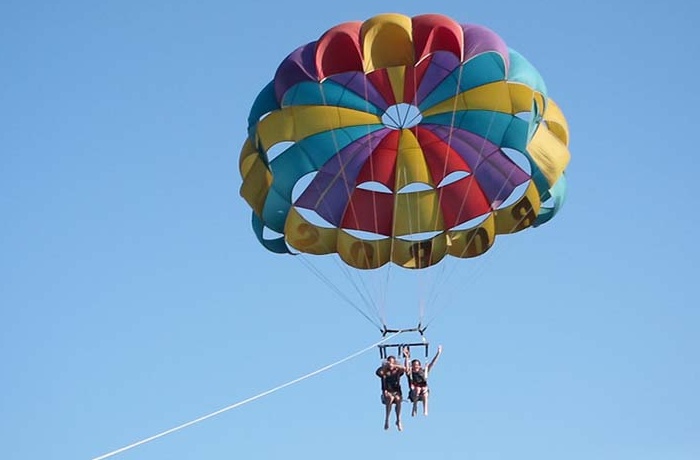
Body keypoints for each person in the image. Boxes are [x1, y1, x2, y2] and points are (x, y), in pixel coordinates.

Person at [403, 345, 442, 417]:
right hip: (414, 392)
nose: (416, 367)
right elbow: (406, 367)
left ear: (420, 366)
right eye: (414, 365)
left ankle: (425, 409)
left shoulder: (424, 372)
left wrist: (438, 353)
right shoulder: (410, 373)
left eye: (417, 365)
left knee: (425, 392)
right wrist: (406, 357)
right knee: (417, 389)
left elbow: (432, 363)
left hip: (423, 391)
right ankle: (414, 407)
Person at [375, 355, 405, 431]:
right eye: (389, 362)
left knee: (398, 399)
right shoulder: (384, 371)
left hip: (396, 392)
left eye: (392, 362)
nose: (391, 364)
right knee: (390, 399)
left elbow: (405, 369)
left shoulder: (397, 371)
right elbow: (378, 372)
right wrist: (386, 366)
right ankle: (387, 419)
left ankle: (398, 420)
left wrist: (394, 365)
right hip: (387, 392)